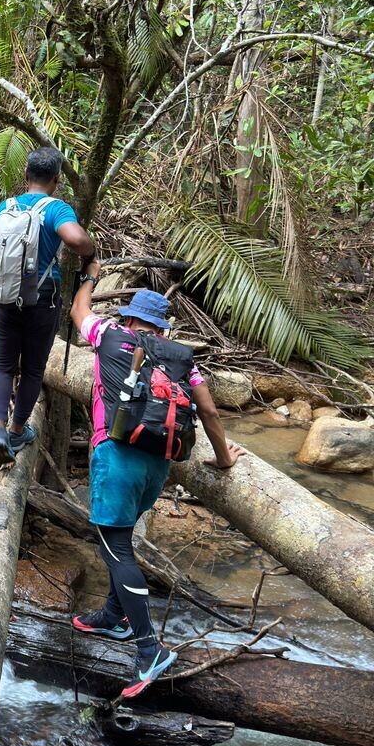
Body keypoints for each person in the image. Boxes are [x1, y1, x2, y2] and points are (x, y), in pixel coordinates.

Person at [70, 275, 245, 697]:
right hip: (157, 467)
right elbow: (208, 411)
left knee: (116, 548)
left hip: (116, 456)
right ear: (162, 328)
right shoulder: (184, 359)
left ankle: (150, 647)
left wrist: (89, 278)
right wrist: (223, 458)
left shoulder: (110, 335)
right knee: (121, 537)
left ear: (129, 318)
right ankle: (114, 613)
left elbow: (79, 311)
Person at [0, 149, 95, 464]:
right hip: (42, 299)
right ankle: (17, 430)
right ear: (56, 180)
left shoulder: (7, 206)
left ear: (26, 175)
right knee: (31, 368)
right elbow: (76, 239)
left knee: (2, 363)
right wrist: (90, 252)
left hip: (4, 296)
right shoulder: (56, 208)